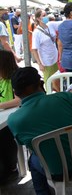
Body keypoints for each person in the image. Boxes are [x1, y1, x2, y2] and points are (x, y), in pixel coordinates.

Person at [7, 67, 72, 195]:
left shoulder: (14, 120)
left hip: (53, 171)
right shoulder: (64, 97)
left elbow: (26, 144)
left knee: (33, 160)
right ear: (41, 84)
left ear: (16, 93)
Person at [0, 50, 20, 184]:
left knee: (5, 137)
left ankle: (11, 168)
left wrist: (1, 105)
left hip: (13, 117)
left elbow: (19, 100)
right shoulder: (2, 78)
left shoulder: (15, 78)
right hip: (3, 115)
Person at [31, 9, 59, 88]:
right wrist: (40, 64)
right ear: (38, 18)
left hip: (55, 57)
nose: (46, 17)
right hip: (46, 60)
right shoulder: (37, 32)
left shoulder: (50, 25)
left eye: (46, 15)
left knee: (56, 79)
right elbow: (34, 49)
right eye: (43, 16)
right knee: (49, 80)